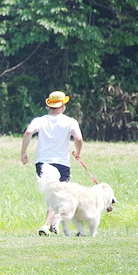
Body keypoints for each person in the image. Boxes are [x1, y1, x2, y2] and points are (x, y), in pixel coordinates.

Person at [20, 90, 83, 236]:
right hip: (62, 164)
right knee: (58, 196)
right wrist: (78, 153)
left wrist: (23, 153)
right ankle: (48, 224)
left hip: (42, 163)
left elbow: (28, 132)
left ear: (50, 105)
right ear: (63, 105)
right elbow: (78, 139)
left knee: (53, 195)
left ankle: (53, 224)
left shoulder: (40, 120)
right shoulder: (70, 121)